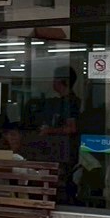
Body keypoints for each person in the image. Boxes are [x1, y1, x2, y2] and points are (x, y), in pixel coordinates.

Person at [38, 66, 82, 201]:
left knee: (63, 182)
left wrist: (49, 131)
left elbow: (71, 128)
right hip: (57, 151)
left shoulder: (71, 102)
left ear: (61, 81)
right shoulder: (58, 102)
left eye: (54, 79)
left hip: (66, 152)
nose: (52, 82)